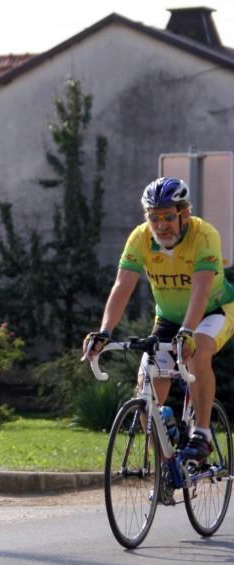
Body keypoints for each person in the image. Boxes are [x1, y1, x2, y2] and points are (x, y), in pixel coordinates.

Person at [84, 177, 234, 461]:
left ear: (184, 214)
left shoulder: (204, 235)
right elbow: (122, 286)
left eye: (168, 216)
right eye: (154, 217)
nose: (161, 225)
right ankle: (167, 466)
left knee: (197, 352)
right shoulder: (140, 238)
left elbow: (201, 290)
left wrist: (188, 330)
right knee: (146, 390)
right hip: (167, 318)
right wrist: (104, 331)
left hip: (215, 310)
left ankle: (201, 434)